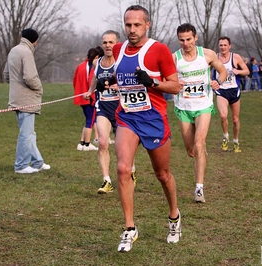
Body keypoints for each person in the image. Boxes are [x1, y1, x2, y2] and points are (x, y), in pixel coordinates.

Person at [111, 4, 182, 252]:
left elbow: (175, 86)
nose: (132, 29)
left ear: (147, 25)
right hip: (127, 117)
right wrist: (107, 81)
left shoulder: (159, 50)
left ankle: (174, 216)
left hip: (153, 119)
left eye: (137, 25)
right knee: (122, 168)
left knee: (162, 175)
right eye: (128, 25)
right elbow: (122, 79)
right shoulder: (119, 50)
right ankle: (129, 228)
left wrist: (152, 82)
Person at [172, 23, 227, 203]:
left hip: (203, 105)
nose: (185, 43)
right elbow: (166, 79)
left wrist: (218, 81)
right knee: (191, 151)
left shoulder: (207, 54)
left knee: (199, 143)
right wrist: (174, 85)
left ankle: (199, 189)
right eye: (182, 40)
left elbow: (223, 70)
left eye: (189, 39)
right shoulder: (175, 58)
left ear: (195, 38)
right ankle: (201, 155)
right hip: (184, 107)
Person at [84, 30, 137, 194]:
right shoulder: (97, 62)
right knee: (102, 142)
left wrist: (115, 86)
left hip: (122, 109)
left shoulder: (122, 62)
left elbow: (132, 83)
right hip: (103, 108)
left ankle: (131, 171)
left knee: (124, 148)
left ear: (117, 44)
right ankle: (107, 181)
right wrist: (90, 90)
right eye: (105, 42)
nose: (108, 45)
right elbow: (94, 78)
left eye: (111, 42)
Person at [4, 28, 50, 174]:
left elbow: (6, 74)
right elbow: (30, 77)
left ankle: (37, 162)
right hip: (27, 100)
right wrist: (39, 88)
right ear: (34, 41)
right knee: (26, 134)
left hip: (16, 98)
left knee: (28, 132)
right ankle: (21, 165)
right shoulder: (27, 52)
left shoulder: (13, 50)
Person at [213, 36, 250, 153]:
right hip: (221, 90)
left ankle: (235, 140)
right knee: (223, 116)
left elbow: (247, 71)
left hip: (234, 90)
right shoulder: (215, 58)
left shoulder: (236, 57)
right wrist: (211, 81)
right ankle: (225, 137)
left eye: (225, 45)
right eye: (221, 45)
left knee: (235, 119)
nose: (223, 47)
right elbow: (206, 71)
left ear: (230, 46)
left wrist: (238, 71)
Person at [73, 48, 100, 151]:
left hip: (80, 97)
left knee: (88, 119)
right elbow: (91, 81)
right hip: (89, 98)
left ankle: (82, 142)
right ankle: (87, 144)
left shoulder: (79, 66)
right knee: (91, 120)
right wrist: (91, 93)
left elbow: (74, 80)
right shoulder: (92, 67)